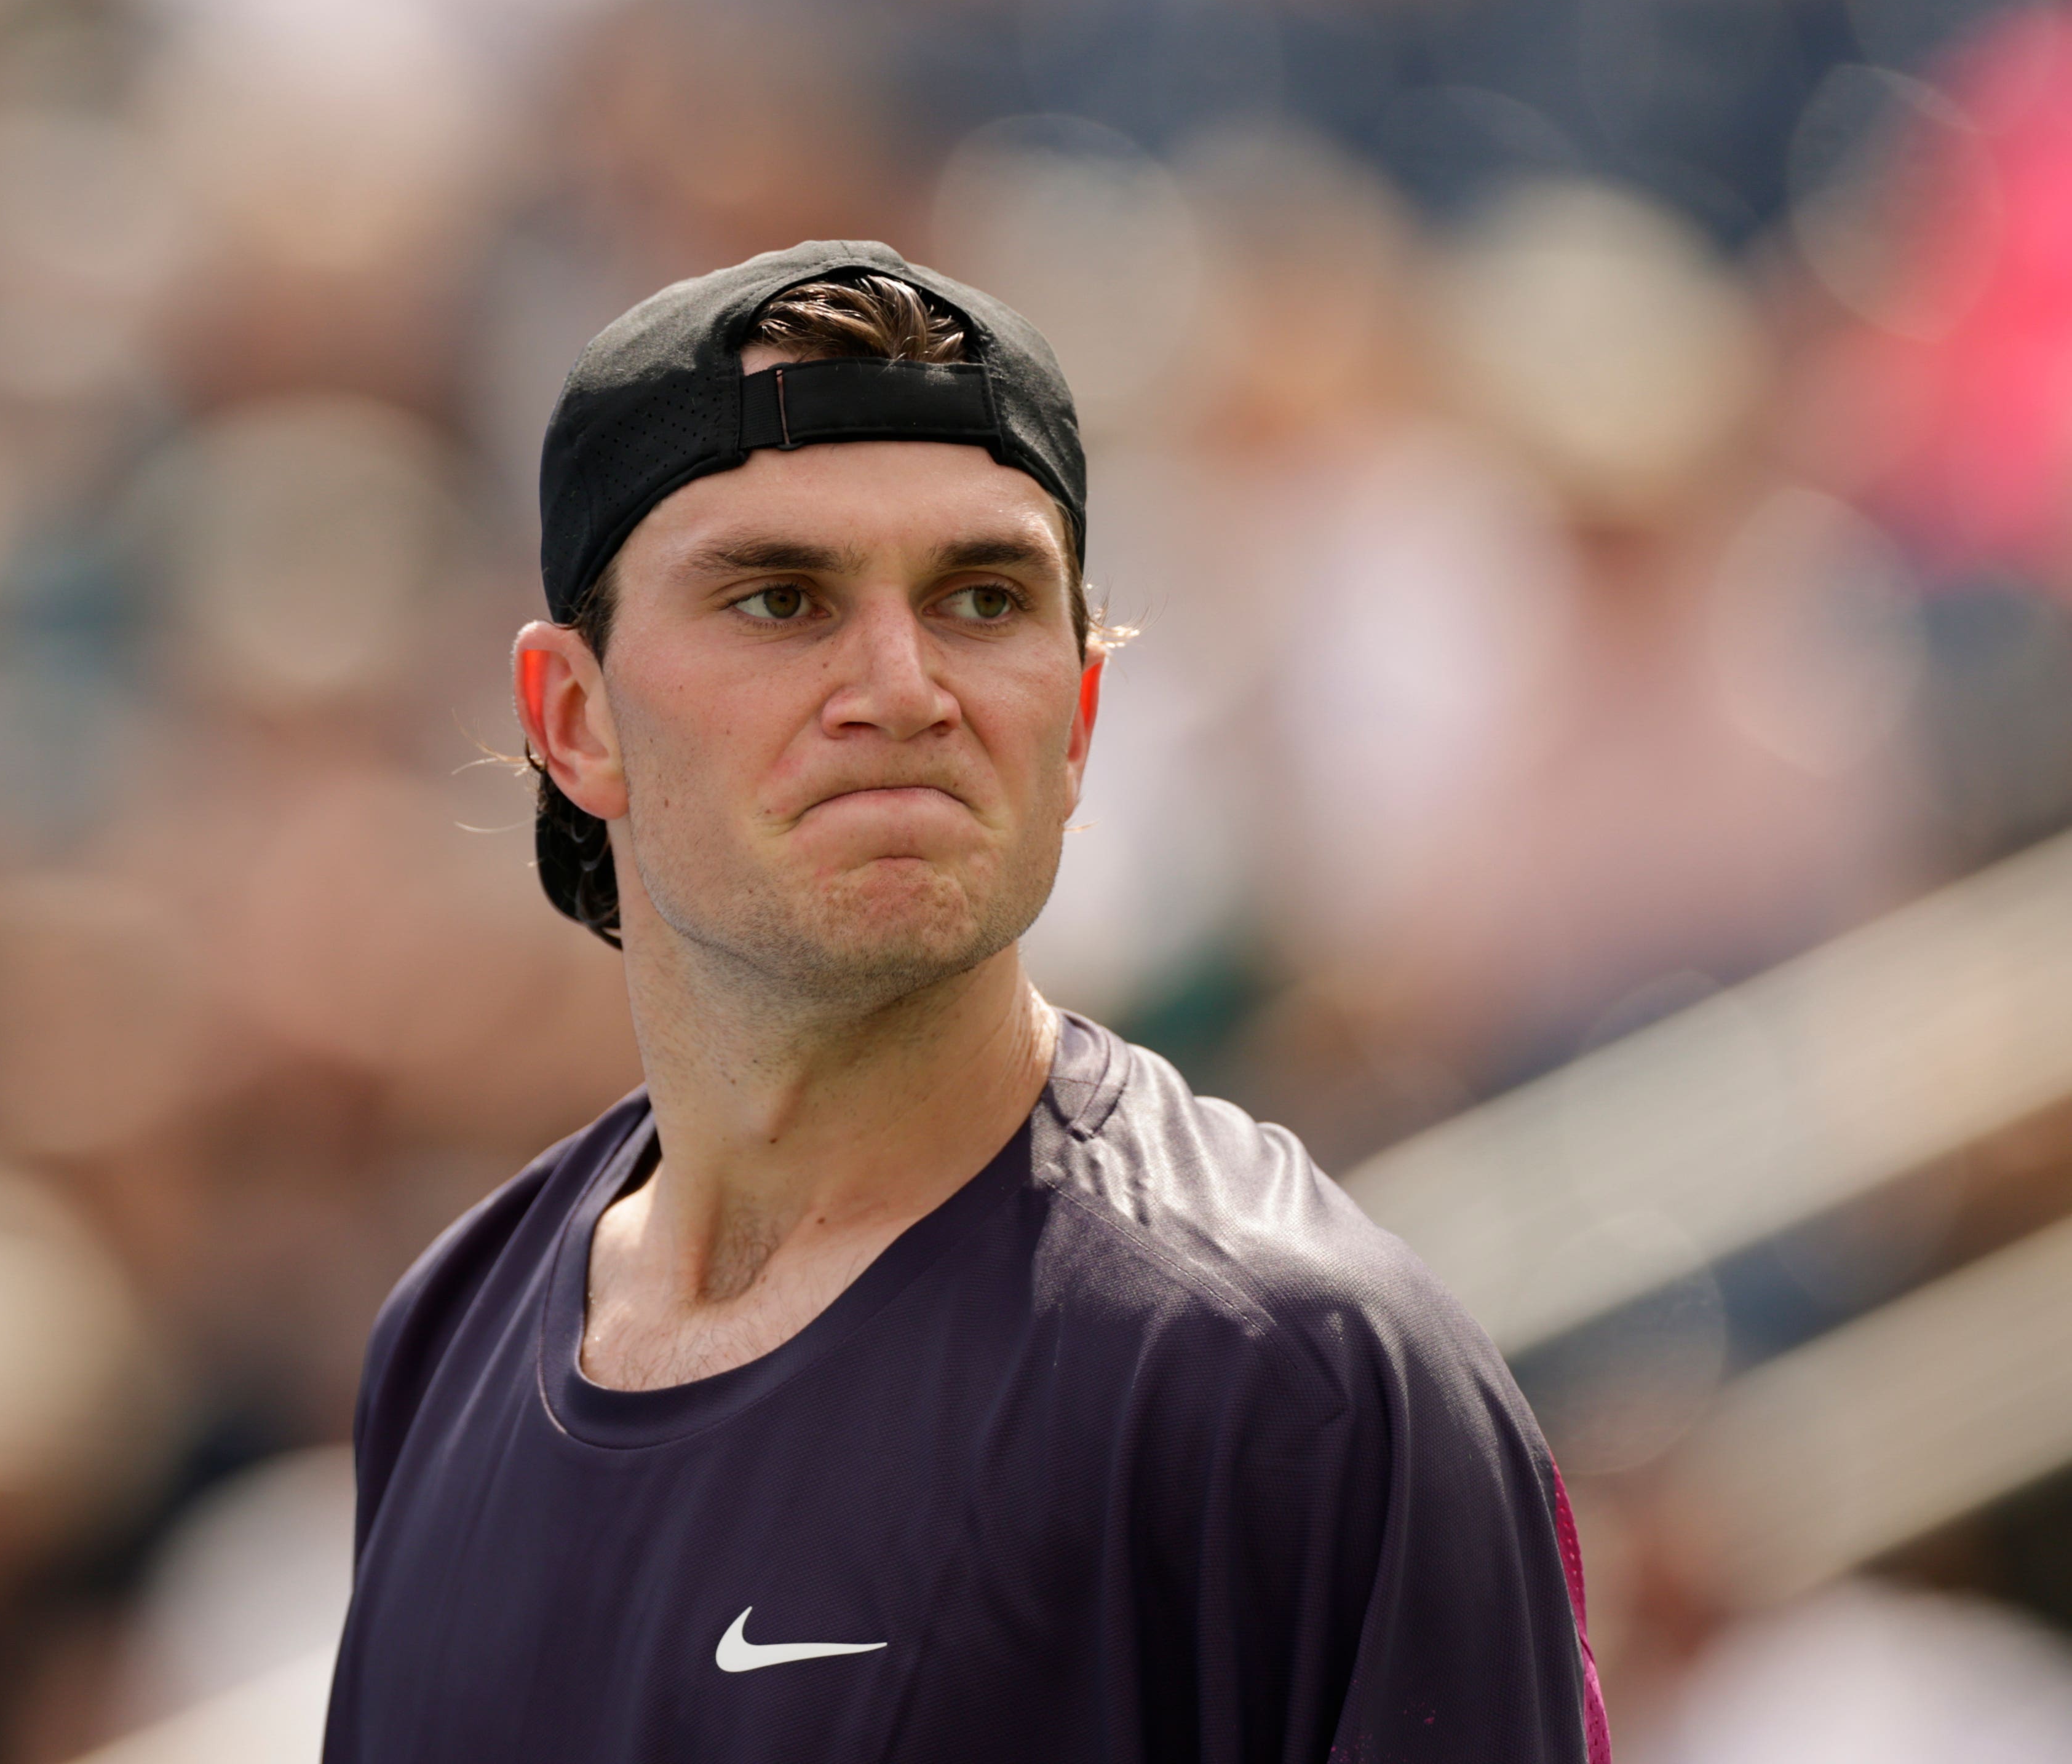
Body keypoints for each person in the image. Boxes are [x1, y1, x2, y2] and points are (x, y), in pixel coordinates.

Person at [320, 241, 1610, 1762]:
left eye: (983, 597)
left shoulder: (1289, 1377)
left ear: (1076, 718)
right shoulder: (449, 1334)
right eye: (782, 598)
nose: (905, 683)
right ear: (574, 723)